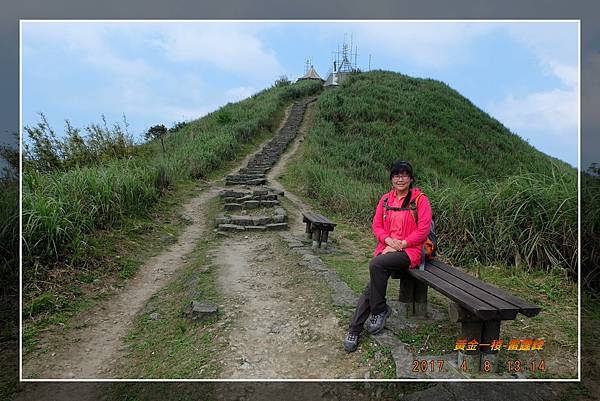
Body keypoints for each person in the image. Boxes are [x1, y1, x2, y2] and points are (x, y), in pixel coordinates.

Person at [343, 160, 432, 352]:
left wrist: (401, 244)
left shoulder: (420, 200)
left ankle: (378, 310)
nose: (400, 179)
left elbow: (423, 229)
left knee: (376, 266)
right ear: (391, 179)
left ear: (411, 178)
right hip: (388, 249)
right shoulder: (385, 200)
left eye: (404, 175)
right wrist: (388, 241)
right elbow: (377, 226)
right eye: (396, 175)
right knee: (372, 285)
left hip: (410, 251)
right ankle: (355, 329)